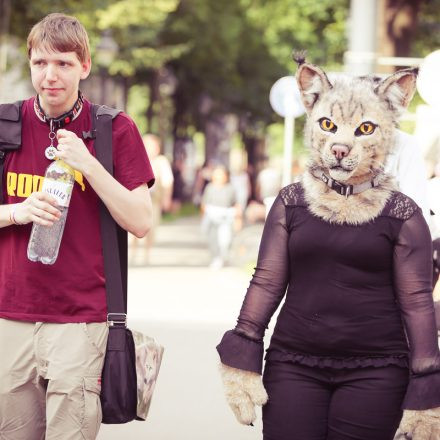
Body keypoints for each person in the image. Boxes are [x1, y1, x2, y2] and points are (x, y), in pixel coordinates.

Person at [217, 59, 440, 439]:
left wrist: (426, 391)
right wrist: (243, 357)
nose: (341, 145)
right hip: (293, 364)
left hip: (377, 369)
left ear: (387, 134)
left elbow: (417, 301)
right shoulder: (291, 203)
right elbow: (267, 282)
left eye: (364, 129)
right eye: (329, 125)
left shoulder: (404, 214)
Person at [0, 13, 154, 439]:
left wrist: (89, 164)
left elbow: (141, 221)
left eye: (64, 64)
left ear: (84, 66)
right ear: (30, 64)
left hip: (80, 320)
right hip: (9, 316)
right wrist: (17, 211)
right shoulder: (4, 125)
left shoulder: (112, 130)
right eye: (41, 63)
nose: (50, 76)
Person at [130, 134, 173, 265]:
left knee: (151, 227)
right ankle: (132, 254)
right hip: (135, 200)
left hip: (154, 200)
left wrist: (167, 198)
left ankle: (147, 255)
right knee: (132, 228)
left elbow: (168, 181)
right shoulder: (135, 158)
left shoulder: (161, 161)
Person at [201, 165, 241, 269]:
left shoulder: (230, 188)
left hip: (226, 218)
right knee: (213, 238)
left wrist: (238, 219)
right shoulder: (210, 187)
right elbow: (204, 204)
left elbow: (236, 204)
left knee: (225, 239)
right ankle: (216, 257)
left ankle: (224, 256)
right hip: (212, 217)